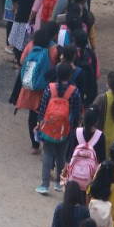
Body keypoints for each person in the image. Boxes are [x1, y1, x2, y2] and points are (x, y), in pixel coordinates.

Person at [36, 61, 81, 194]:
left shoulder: (50, 88)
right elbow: (76, 113)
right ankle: (59, 183)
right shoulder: (75, 92)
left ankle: (44, 184)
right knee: (61, 154)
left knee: (48, 153)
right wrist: (73, 129)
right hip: (65, 129)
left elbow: (43, 108)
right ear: (70, 75)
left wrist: (39, 124)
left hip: (49, 127)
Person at [12, 22, 58, 153]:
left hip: (30, 86)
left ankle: (34, 144)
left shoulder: (32, 45)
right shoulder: (55, 49)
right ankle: (46, 142)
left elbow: (21, 61)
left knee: (32, 115)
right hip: (47, 88)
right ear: (54, 34)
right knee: (46, 115)